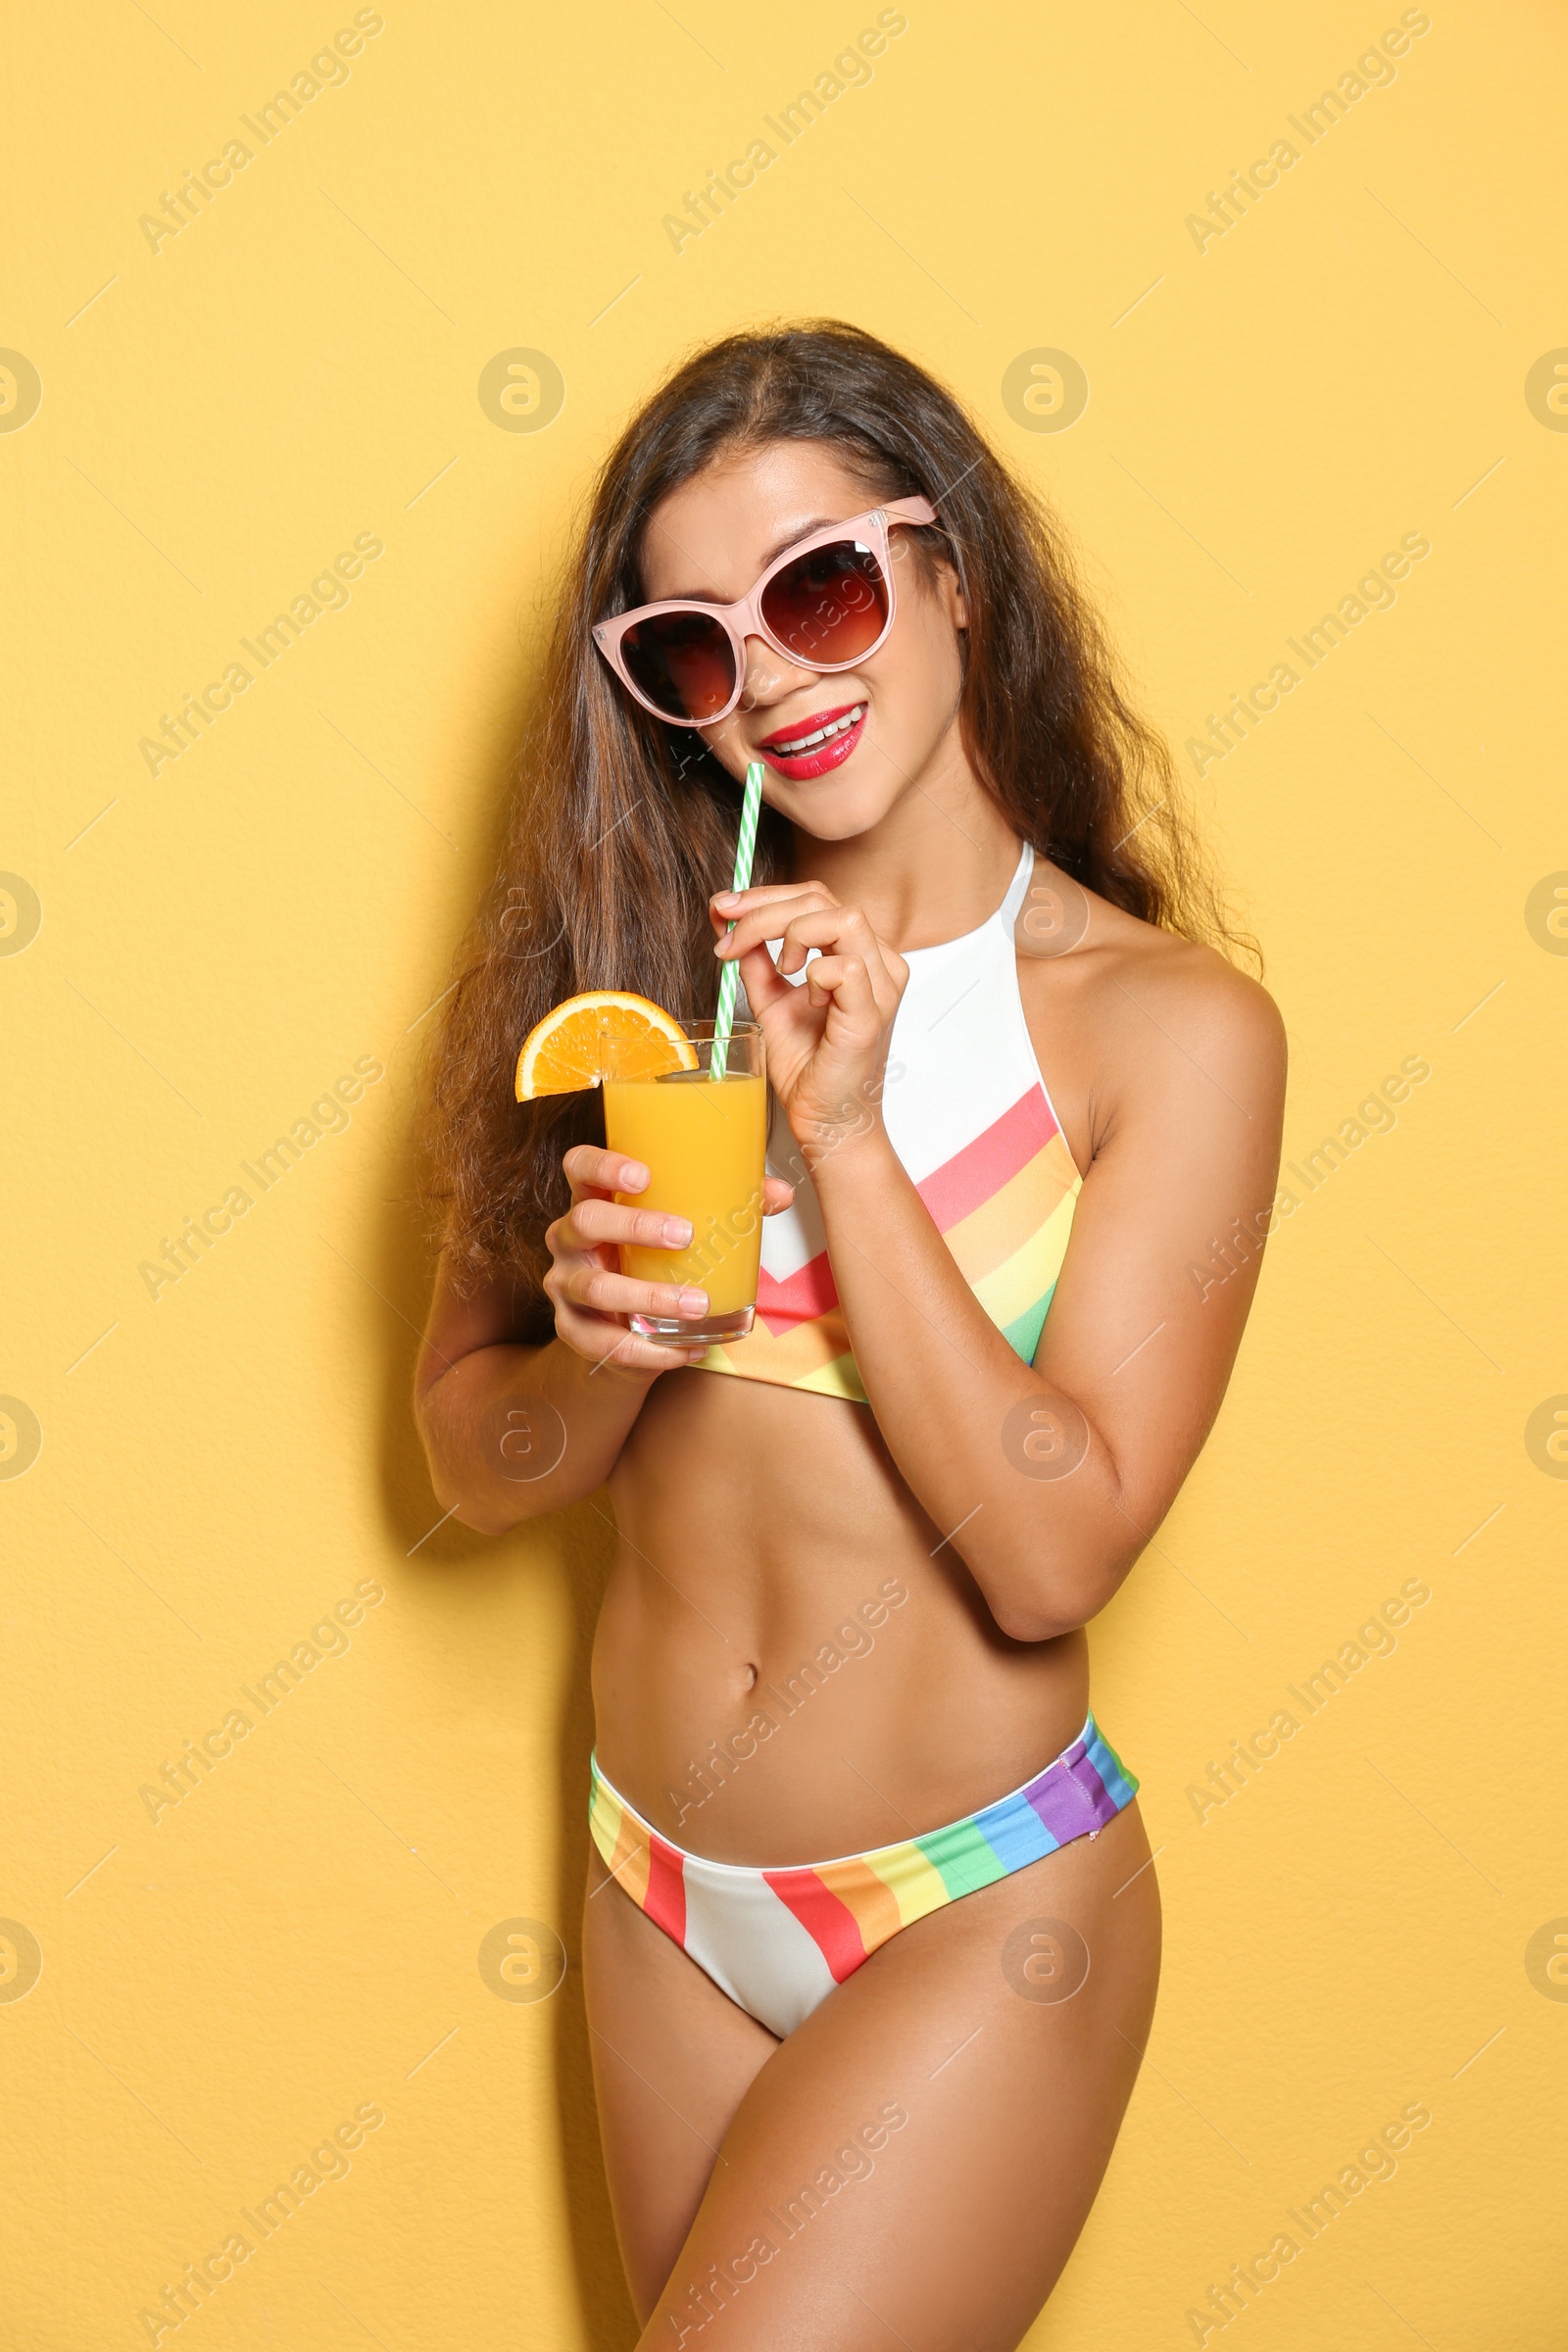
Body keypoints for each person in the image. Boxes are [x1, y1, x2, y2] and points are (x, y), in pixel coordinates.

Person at [415, 319, 1286, 2350]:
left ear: (950, 567)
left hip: (978, 1904)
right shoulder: (609, 996)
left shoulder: (1162, 1029)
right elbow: (471, 1470)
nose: (778, 681)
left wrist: (844, 1141)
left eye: (819, 587)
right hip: (656, 1892)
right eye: (695, 650)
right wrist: (602, 1355)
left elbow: (1057, 1547)